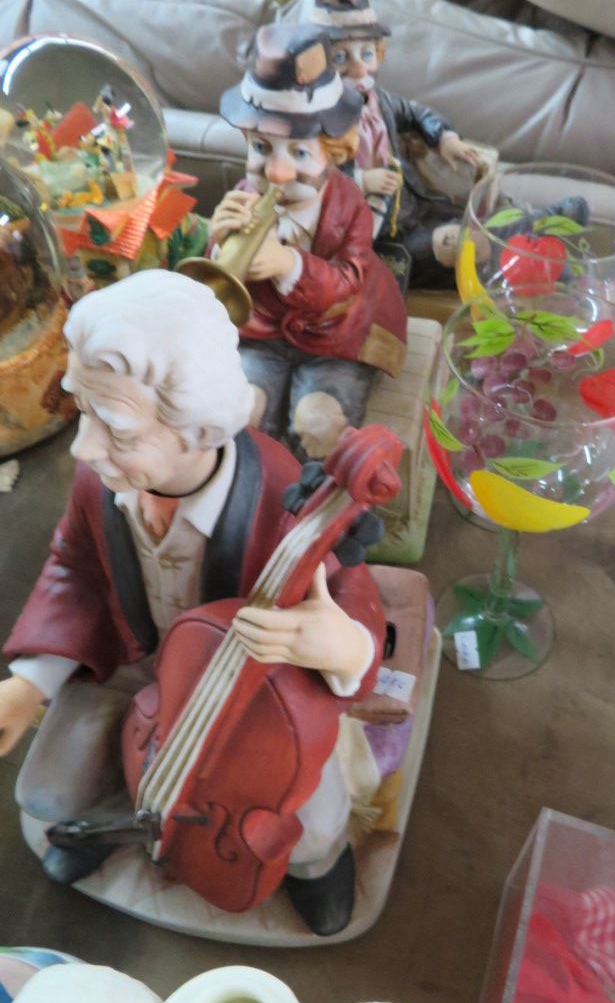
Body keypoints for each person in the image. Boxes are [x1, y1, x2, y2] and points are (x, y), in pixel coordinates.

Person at [0, 269, 386, 937]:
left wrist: (343, 647)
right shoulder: (100, 480)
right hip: (138, 662)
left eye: (116, 430)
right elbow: (75, 568)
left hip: (250, 692)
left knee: (311, 819)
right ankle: (119, 820)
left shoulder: (282, 493)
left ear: (197, 428)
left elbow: (349, 595)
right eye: (84, 412)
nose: (84, 449)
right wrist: (31, 682)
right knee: (47, 789)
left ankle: (316, 865)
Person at [209, 23, 407, 462]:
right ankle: (255, 484)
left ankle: (311, 487)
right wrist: (219, 244)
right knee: (239, 416)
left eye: (300, 153)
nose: (276, 173)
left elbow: (349, 281)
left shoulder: (350, 206)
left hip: (338, 337)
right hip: (260, 334)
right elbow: (216, 286)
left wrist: (288, 265)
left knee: (320, 424)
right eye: (262, 147)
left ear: (335, 154)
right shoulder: (244, 193)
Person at [302, 0, 483, 290]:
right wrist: (361, 180)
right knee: (461, 247)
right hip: (373, 237)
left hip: (413, 206)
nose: (359, 68)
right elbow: (306, 173)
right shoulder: (312, 118)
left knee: (480, 218)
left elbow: (415, 112)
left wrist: (445, 138)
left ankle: (536, 236)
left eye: (366, 54)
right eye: (341, 58)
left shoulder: (379, 100)